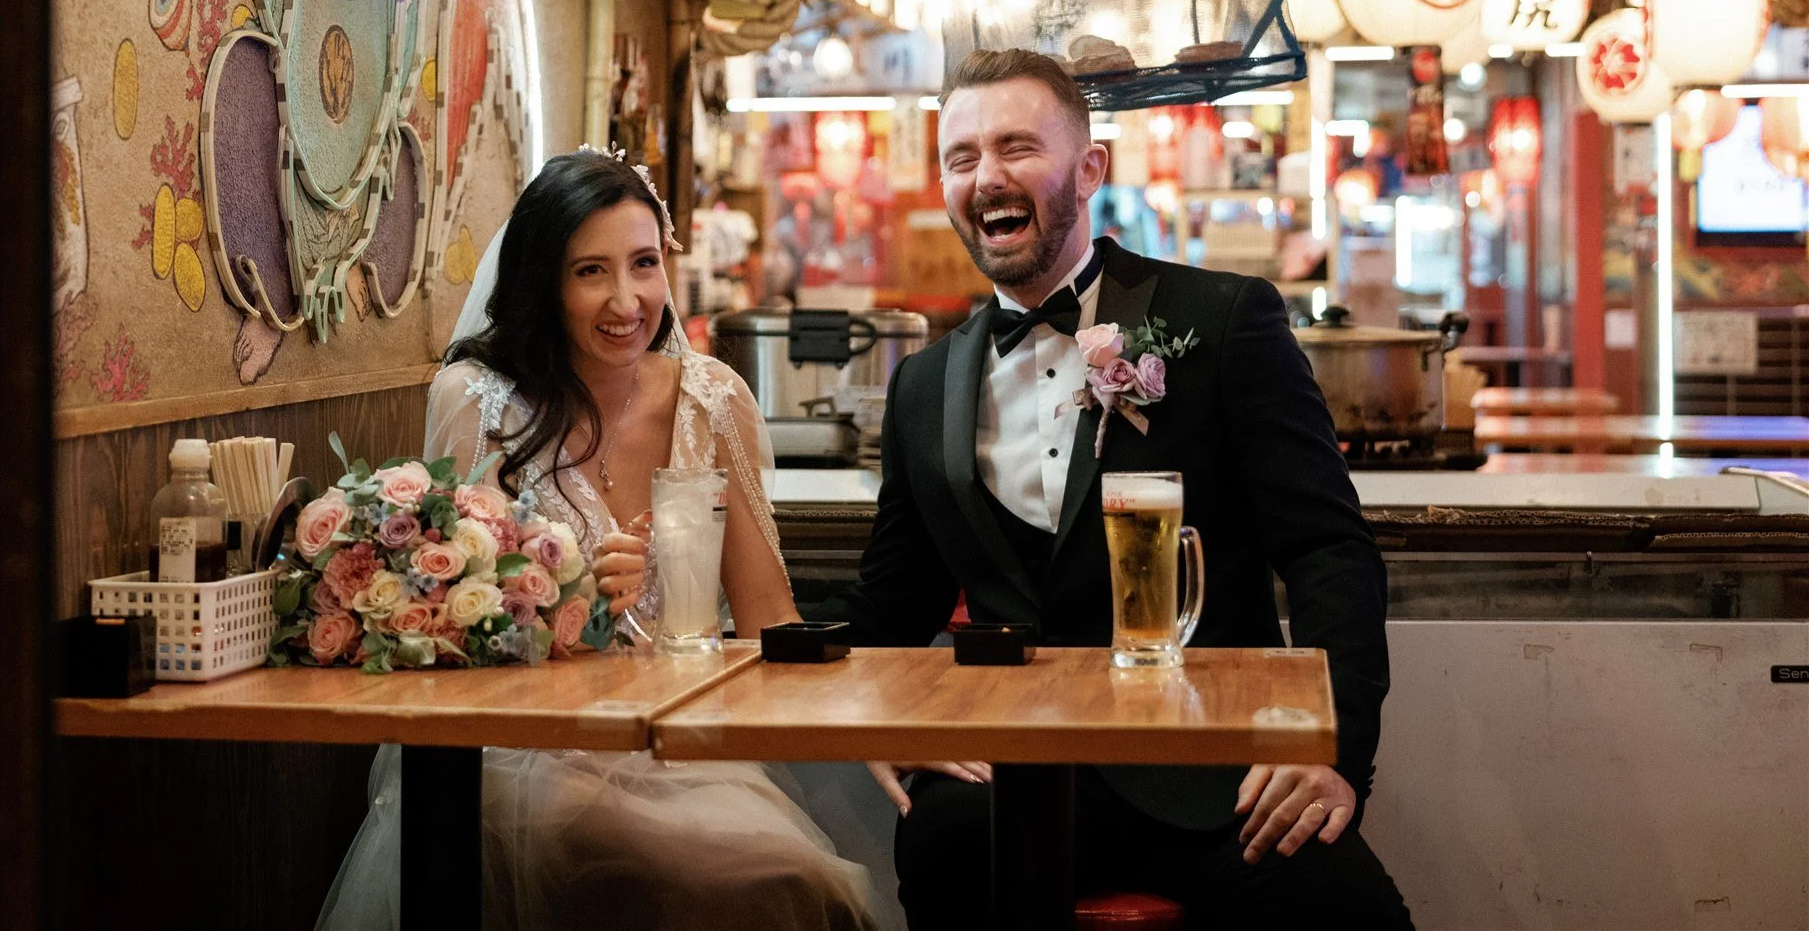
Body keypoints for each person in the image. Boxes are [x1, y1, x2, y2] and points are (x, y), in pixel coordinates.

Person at [818, 50, 1412, 930]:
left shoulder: (1223, 319)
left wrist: (1331, 750)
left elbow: (1329, 551)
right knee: (939, 840)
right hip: (1011, 779)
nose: (988, 177)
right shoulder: (922, 386)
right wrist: (767, 639)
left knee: (1348, 910)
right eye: (962, 157)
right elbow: (888, 608)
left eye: (1017, 146)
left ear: (1090, 168)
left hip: (1216, 776)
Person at [317, 149, 876, 931]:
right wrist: (573, 597)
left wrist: (869, 721)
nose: (626, 299)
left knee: (807, 879)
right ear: (544, 281)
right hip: (520, 755)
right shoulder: (477, 400)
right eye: (590, 272)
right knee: (748, 877)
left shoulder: (714, 399)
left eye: (644, 263)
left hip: (677, 746)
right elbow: (451, 626)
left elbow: (769, 620)